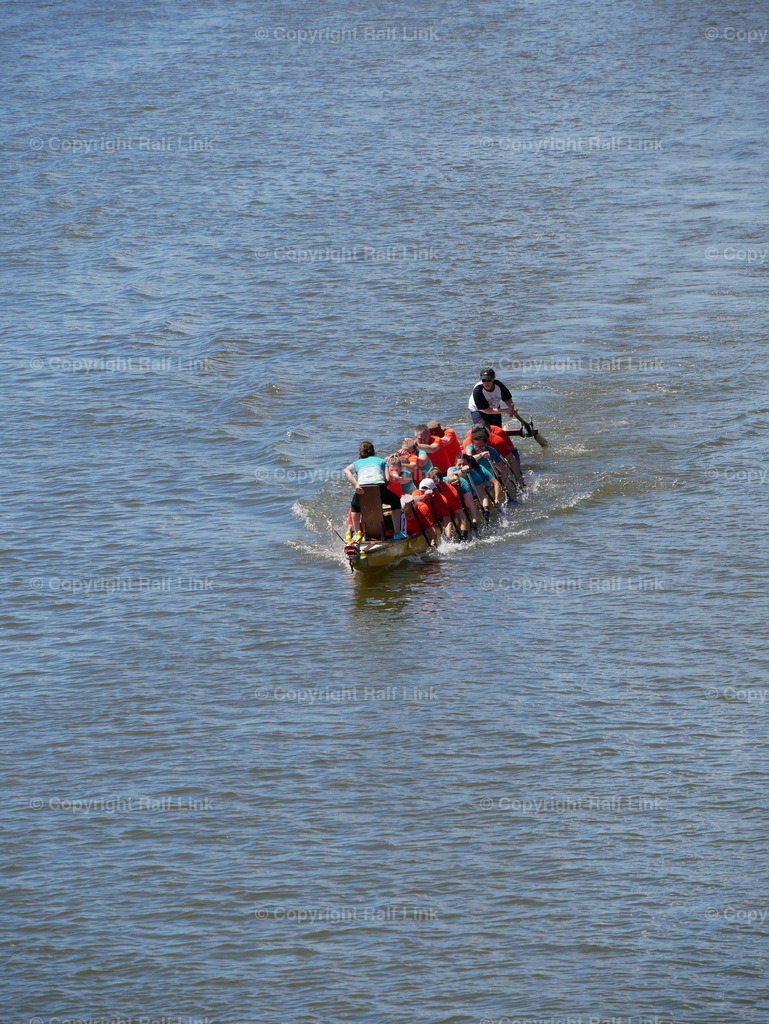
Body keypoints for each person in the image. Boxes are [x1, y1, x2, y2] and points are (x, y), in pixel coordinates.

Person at [344, 441, 405, 541]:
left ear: (360, 453)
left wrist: (356, 484)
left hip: (362, 488)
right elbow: (387, 479)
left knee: (355, 507)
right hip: (379, 486)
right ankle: (397, 533)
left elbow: (346, 470)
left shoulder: (357, 463)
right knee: (395, 501)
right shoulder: (382, 461)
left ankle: (357, 533)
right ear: (373, 451)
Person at [427, 468, 470, 541]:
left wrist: (464, 532)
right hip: (436, 515)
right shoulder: (425, 489)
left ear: (441, 479)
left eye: (437, 480)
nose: (436, 484)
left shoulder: (451, 491)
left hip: (450, 513)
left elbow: (460, 514)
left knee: (448, 522)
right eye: (433, 481)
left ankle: (449, 539)